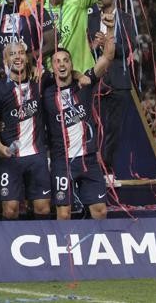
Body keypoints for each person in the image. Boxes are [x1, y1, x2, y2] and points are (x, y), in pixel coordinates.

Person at [43, 38, 115, 220]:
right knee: (64, 213)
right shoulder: (45, 93)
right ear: (51, 67)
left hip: (88, 159)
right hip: (62, 161)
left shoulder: (84, 84)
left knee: (100, 211)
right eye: (57, 61)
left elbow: (107, 57)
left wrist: (111, 30)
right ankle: (63, 247)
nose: (61, 64)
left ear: (71, 63)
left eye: (65, 60)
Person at [0, 41, 52, 219]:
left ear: (27, 57)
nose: (18, 57)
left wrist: (77, 73)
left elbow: (68, 77)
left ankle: (41, 244)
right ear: (5, 60)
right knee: (10, 209)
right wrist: (0, 147)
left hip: (36, 155)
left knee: (43, 208)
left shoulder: (40, 81)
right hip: (10, 157)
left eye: (21, 53)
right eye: (12, 54)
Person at [87, 0, 138, 185]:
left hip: (118, 82)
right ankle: (93, 171)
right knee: (94, 128)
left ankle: (107, 169)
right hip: (95, 82)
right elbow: (84, 48)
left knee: (113, 130)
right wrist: (94, 46)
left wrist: (108, 45)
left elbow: (130, 48)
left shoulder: (126, 19)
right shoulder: (90, 19)